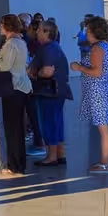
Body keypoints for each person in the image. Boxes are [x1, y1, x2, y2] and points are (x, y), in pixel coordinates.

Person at [69, 19, 108, 173]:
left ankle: (105, 162)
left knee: (103, 128)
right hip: (104, 89)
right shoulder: (105, 46)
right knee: (104, 127)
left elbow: (97, 72)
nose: (86, 33)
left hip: (99, 91)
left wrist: (79, 67)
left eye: (88, 30)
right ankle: (105, 161)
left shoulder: (97, 48)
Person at [0, 14, 32, 177]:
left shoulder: (11, 44)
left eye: (1, 24)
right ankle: (19, 162)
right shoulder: (21, 42)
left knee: (12, 129)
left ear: (7, 26)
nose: (0, 27)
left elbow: (5, 67)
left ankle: (14, 165)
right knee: (17, 128)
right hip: (21, 87)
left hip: (13, 88)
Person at [28, 20, 70, 167]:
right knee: (56, 122)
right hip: (56, 91)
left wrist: (34, 73)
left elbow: (46, 71)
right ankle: (59, 153)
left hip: (48, 92)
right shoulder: (54, 47)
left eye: (40, 30)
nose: (37, 32)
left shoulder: (47, 49)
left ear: (47, 32)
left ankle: (51, 156)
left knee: (49, 123)